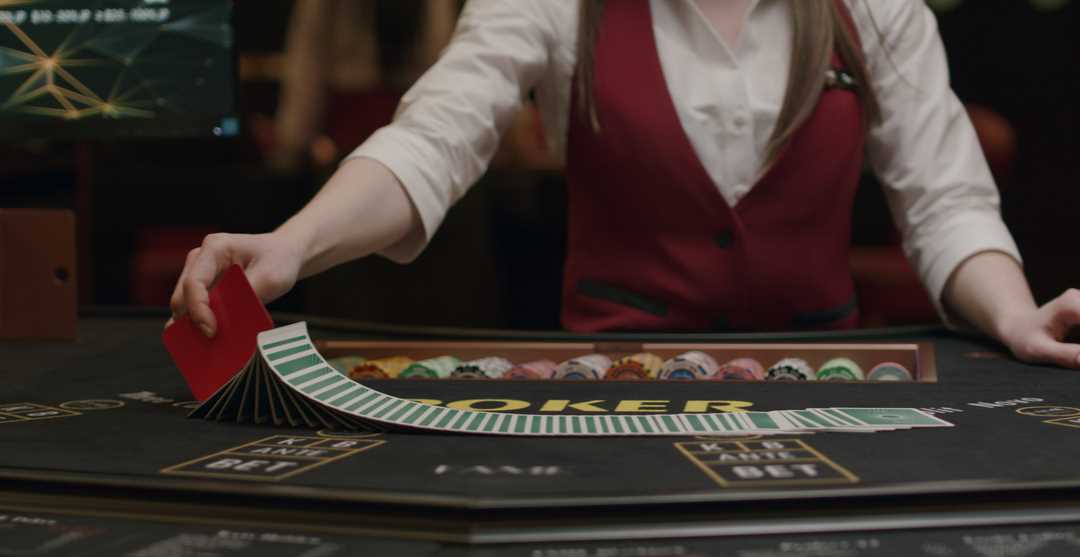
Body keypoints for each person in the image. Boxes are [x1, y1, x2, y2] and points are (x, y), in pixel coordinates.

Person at [172, 0, 1080, 369]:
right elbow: (433, 139)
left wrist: (1014, 316)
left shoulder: (878, 5)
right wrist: (290, 244)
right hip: (614, 383)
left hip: (820, 377)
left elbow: (945, 197)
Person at [266, 0, 459, 171]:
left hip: (416, 117)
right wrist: (292, 143)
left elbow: (442, 48)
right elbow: (310, 54)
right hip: (349, 125)